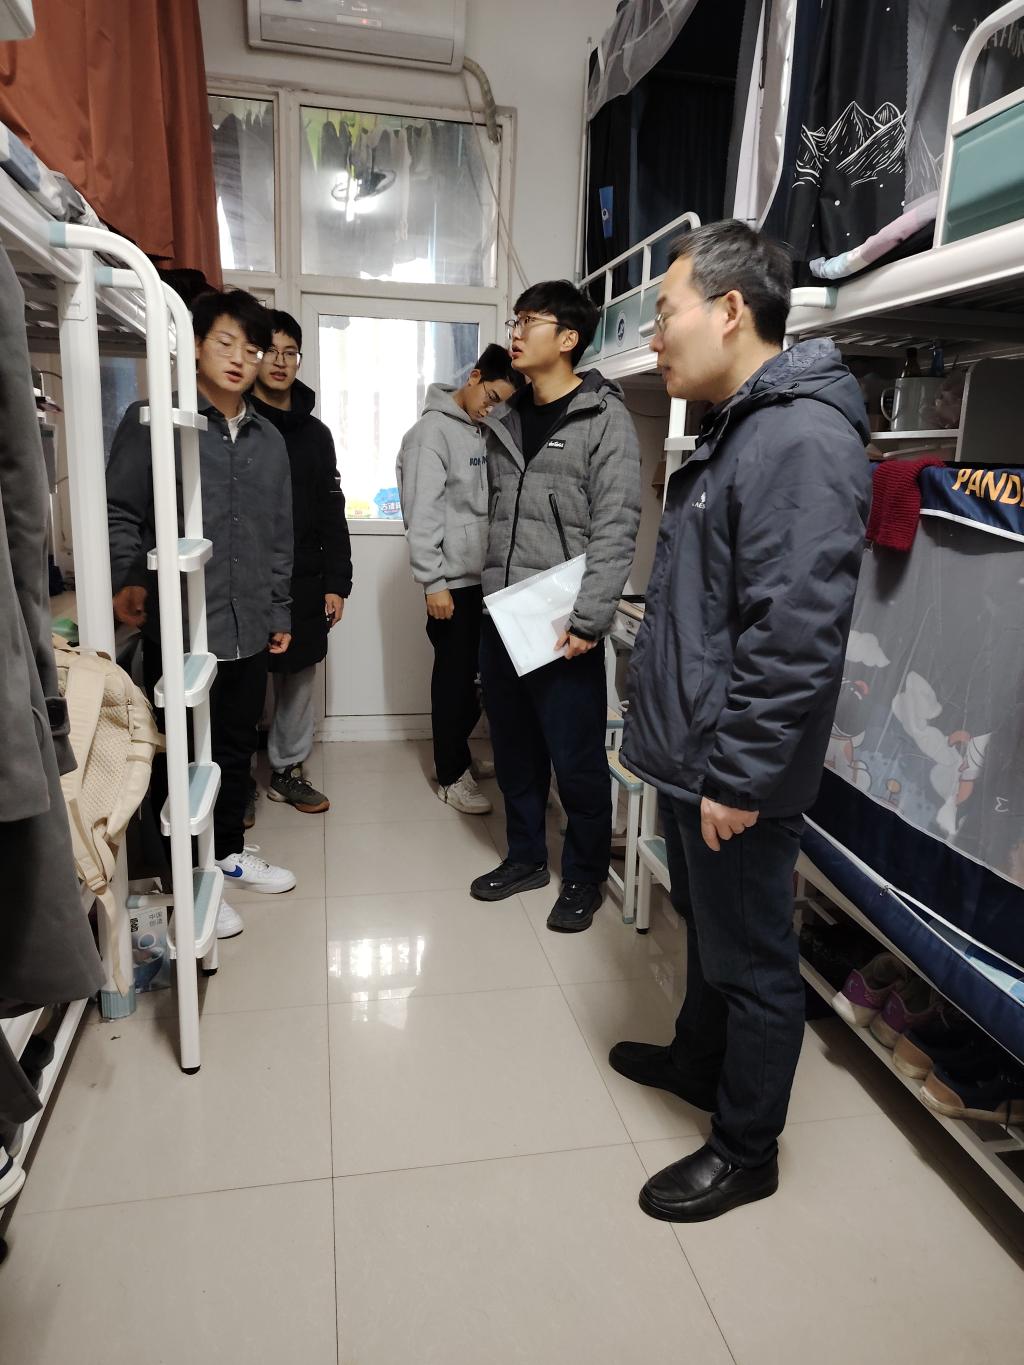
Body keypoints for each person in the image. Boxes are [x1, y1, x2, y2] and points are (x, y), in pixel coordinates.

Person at [616, 221, 870, 1222]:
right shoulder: (743, 426)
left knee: (756, 959)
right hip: (699, 750)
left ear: (729, 310)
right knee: (710, 930)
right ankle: (697, 1058)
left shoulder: (800, 438)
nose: (654, 337)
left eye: (664, 313)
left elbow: (795, 631)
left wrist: (739, 774)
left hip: (734, 767)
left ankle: (745, 1147)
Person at [107, 289, 297, 941]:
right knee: (180, 750)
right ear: (194, 345)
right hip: (182, 621)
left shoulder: (270, 438)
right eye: (226, 343)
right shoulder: (154, 419)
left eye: (253, 348)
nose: (241, 358)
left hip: (248, 621)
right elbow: (120, 511)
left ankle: (227, 854)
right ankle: (183, 877)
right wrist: (128, 578)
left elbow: (279, 533)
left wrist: (279, 608)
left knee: (238, 744)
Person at [469, 281, 640, 932]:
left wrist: (590, 619)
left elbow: (617, 526)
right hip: (502, 615)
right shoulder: (506, 420)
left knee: (576, 762)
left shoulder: (603, 418)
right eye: (514, 321)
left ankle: (585, 877)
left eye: (529, 321)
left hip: (564, 622)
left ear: (568, 338)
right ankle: (526, 858)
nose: (515, 332)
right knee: (514, 752)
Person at [396, 344, 521, 814]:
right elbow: (422, 514)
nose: (492, 409)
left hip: (482, 580)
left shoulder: (477, 429)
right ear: (474, 377)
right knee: (454, 682)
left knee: (476, 680)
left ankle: (457, 757)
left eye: (500, 404)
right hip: (451, 584)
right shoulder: (429, 434)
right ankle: (450, 776)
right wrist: (434, 583)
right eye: (490, 397)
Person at [250, 310, 352, 815]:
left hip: (306, 576)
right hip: (246, 575)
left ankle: (287, 770)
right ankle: (235, 783)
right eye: (270, 351)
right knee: (243, 679)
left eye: (290, 352)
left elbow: (332, 508)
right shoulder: (236, 422)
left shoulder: (316, 434)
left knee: (298, 678)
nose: (280, 361)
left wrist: (338, 581)